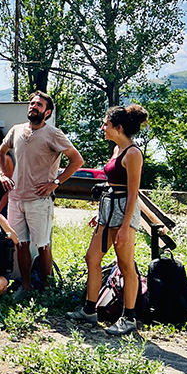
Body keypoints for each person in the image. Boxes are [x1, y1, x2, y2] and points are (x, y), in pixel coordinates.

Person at [67, 104, 149, 336]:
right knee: (92, 257)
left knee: (126, 266)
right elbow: (113, 185)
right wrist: (101, 214)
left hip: (124, 212)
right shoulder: (116, 150)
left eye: (106, 124)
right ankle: (89, 310)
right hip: (108, 209)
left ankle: (129, 317)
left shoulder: (133, 153)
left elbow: (133, 193)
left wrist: (125, 227)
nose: (103, 128)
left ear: (119, 128)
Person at [0, 91, 85, 298]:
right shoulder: (17, 130)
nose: (33, 106)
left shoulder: (53, 133)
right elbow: (1, 152)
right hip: (16, 197)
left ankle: (47, 290)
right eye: (32, 103)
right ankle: (25, 287)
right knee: (21, 244)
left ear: (47, 112)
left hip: (39, 200)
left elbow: (77, 161)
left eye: (39, 105)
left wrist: (55, 183)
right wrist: (2, 174)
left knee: (43, 245)